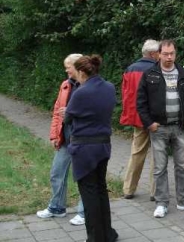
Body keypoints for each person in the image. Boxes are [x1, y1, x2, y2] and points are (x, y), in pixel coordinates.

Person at [136, 39, 184, 218]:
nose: (169, 57)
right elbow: (140, 103)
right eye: (165, 54)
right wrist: (149, 123)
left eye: (172, 53)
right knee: (160, 168)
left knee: (183, 166)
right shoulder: (150, 74)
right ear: (158, 54)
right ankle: (162, 203)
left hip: (180, 127)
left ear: (176, 53)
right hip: (159, 129)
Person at [66, 55, 118, 242]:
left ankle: (96, 237)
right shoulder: (110, 87)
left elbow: (68, 117)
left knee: (89, 194)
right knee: (101, 190)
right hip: (104, 145)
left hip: (84, 148)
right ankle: (108, 233)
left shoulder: (81, 92)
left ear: (81, 72)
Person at [36, 53, 85, 226]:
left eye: (68, 67)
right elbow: (57, 111)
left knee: (82, 177)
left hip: (81, 139)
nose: (66, 70)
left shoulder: (88, 86)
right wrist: (54, 135)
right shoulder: (65, 85)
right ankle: (57, 207)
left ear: (78, 66)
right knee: (57, 173)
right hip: (64, 138)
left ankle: (84, 212)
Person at [121, 39, 160, 200]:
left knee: (136, 153)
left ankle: (128, 189)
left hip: (137, 118)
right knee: (157, 155)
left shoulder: (130, 69)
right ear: (152, 54)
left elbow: (126, 96)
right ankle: (155, 191)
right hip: (154, 120)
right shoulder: (157, 69)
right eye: (159, 52)